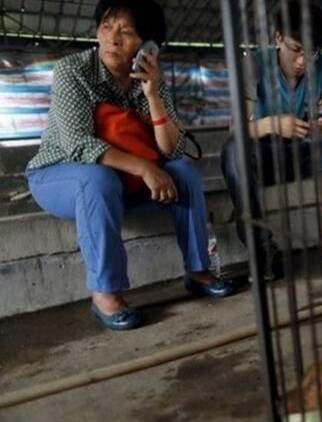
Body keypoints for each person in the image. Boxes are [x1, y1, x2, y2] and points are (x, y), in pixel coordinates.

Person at [25, 0, 235, 331]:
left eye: (126, 31)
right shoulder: (73, 70)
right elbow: (78, 145)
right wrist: (144, 168)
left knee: (183, 173)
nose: (113, 38)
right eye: (107, 27)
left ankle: (198, 270)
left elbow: (174, 148)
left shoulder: (150, 79)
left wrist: (152, 95)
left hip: (119, 180)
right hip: (59, 175)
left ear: (148, 44)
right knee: (96, 179)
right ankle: (105, 293)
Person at [221, 0, 322, 279]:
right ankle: (262, 251)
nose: (302, 62)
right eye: (295, 50)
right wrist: (273, 124)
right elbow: (236, 130)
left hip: (306, 153)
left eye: (311, 53)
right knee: (233, 150)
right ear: (278, 38)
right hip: (266, 158)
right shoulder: (254, 65)